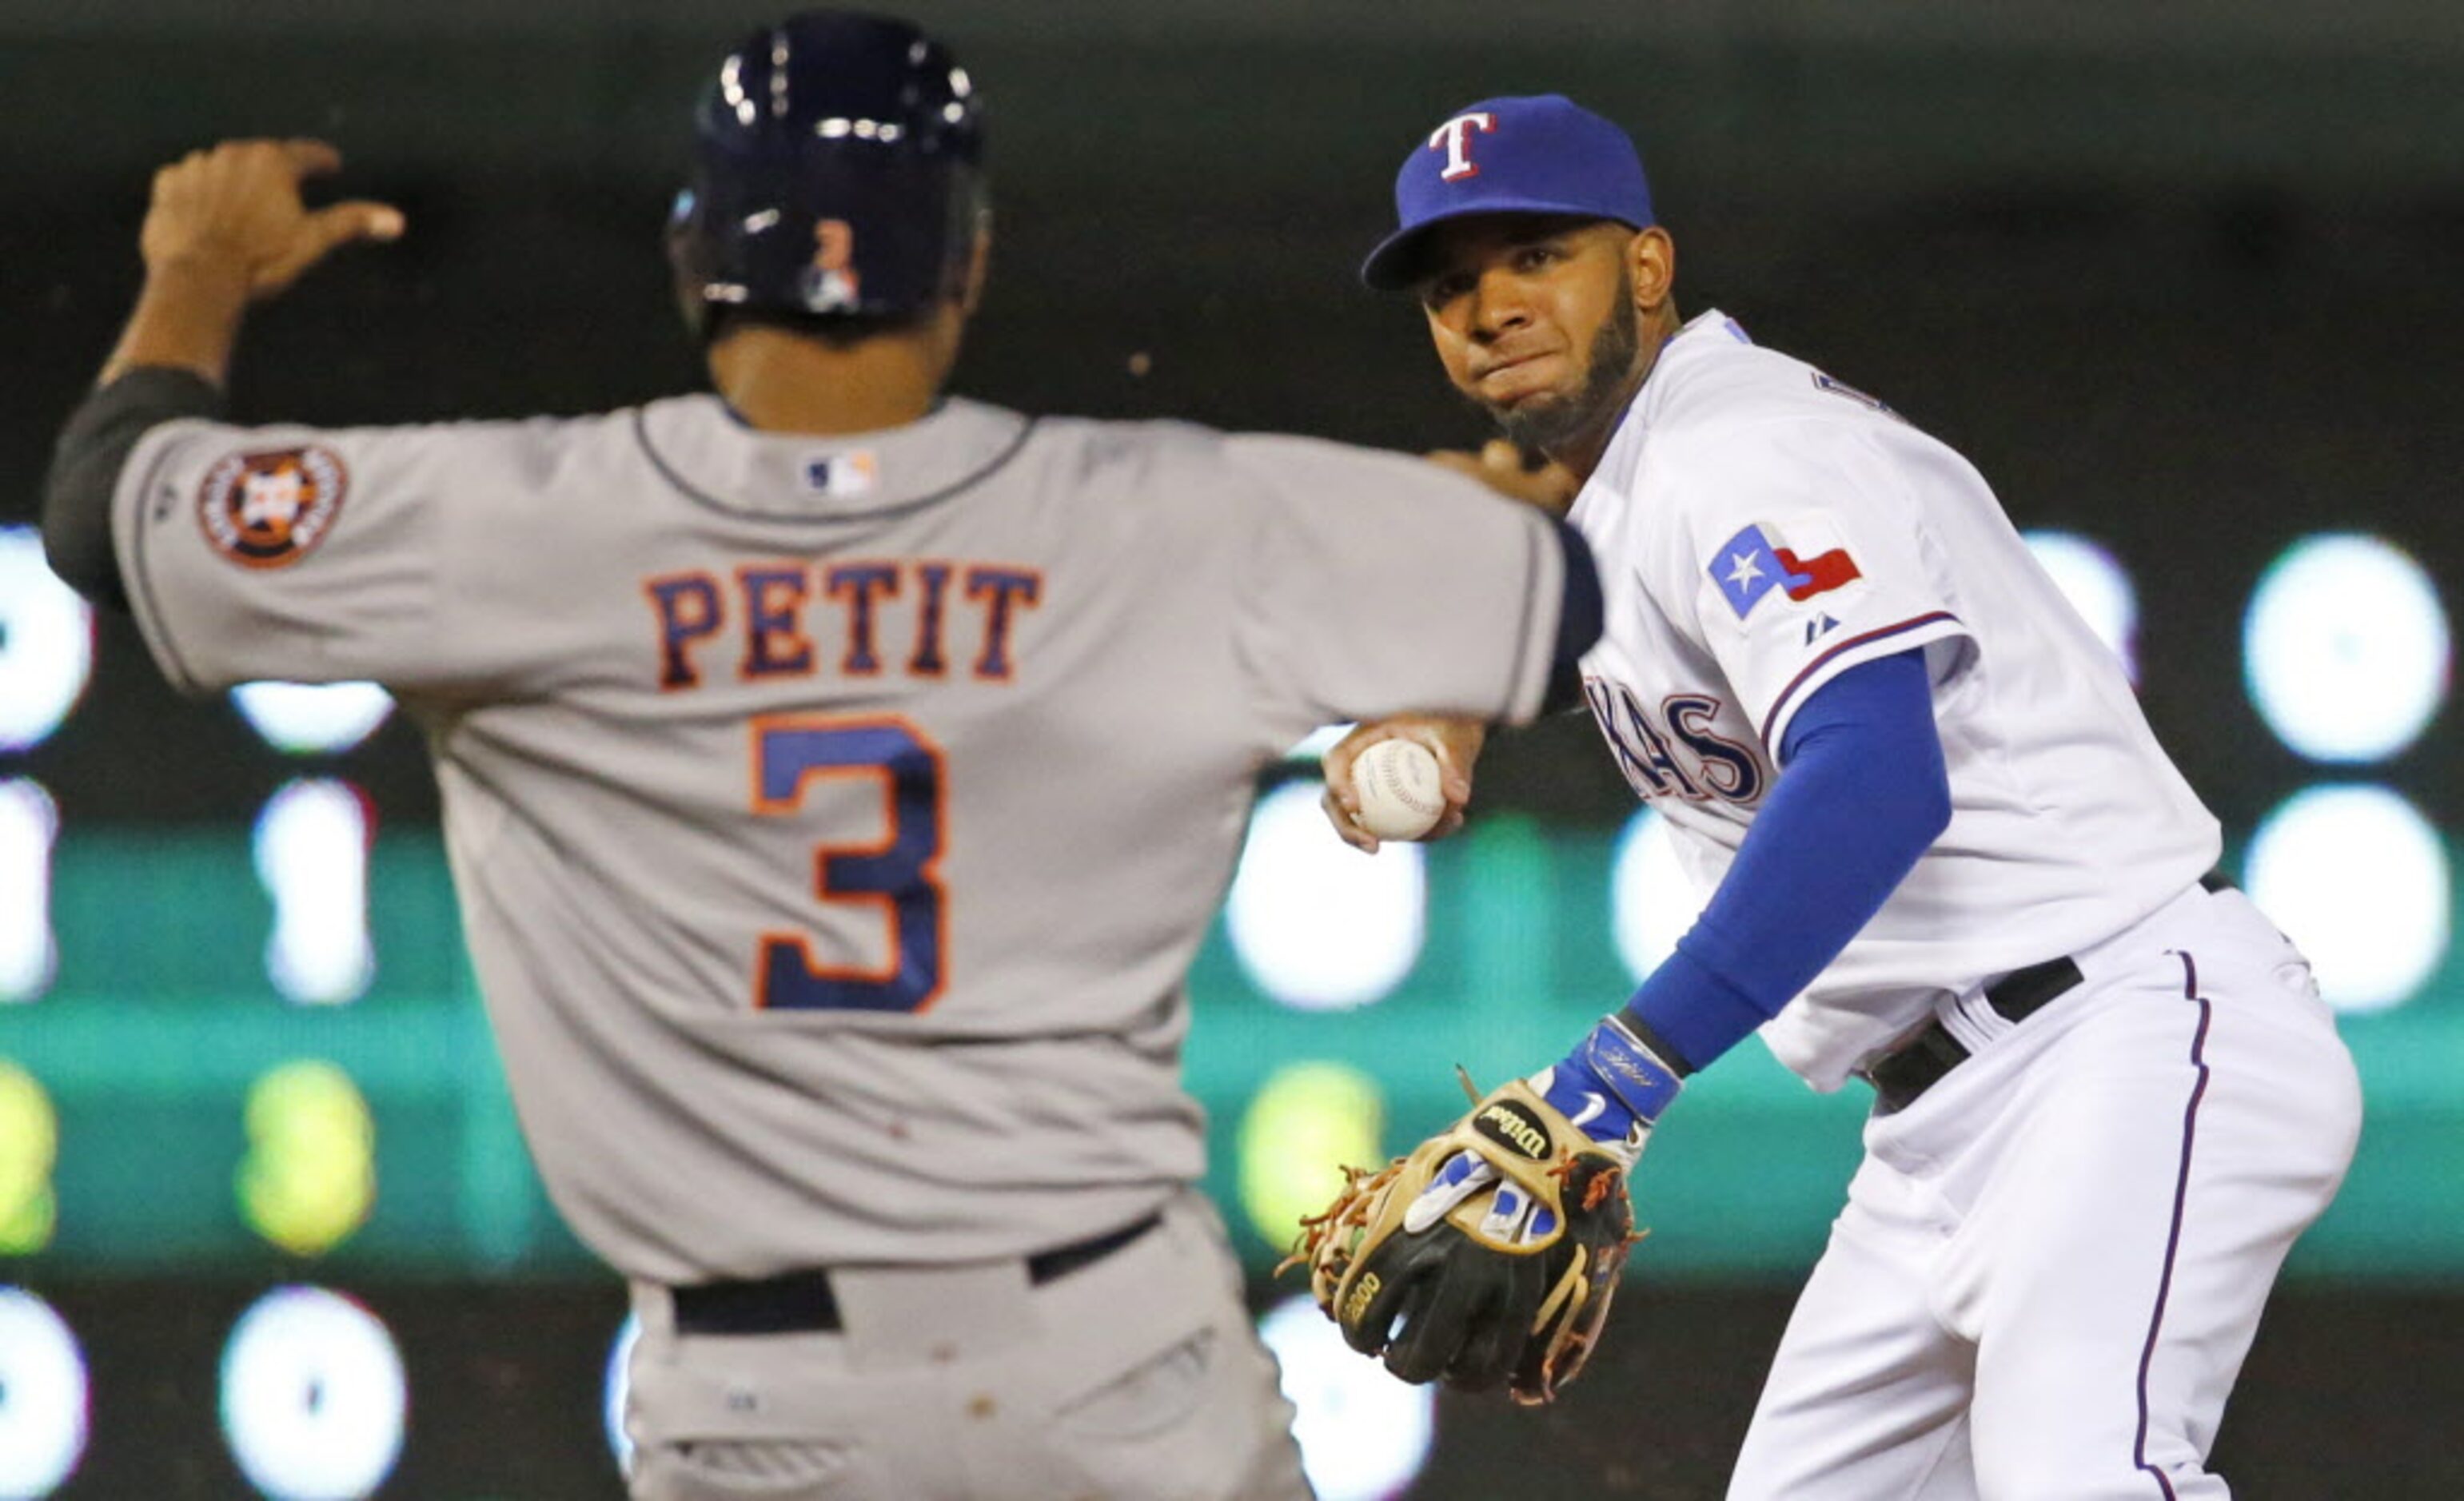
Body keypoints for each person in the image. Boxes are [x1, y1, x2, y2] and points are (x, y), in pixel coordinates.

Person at [38, 18, 1608, 1499]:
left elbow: (110, 507)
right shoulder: (1170, 516)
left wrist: (196, 266)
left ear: (691, 259)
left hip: (761, 1408)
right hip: (1120, 1364)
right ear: (968, 266)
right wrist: (1478, 518)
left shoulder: (516, 522)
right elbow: (1551, 615)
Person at [1320, 93, 2362, 1499]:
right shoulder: (1636, 490)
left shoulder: (1737, 451)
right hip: (1943, 1124)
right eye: (1450, 284)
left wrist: (1612, 1082)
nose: (1489, 306)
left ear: (1643, 264)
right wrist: (1446, 701)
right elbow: (1580, 618)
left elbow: (1872, 775)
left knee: (2087, 1476)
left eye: (1534, 255)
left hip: (2117, 1033)